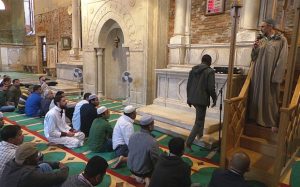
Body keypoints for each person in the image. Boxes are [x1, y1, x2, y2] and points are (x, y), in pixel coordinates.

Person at [248, 18, 288, 133]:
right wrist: (254, 48)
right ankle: (256, 118)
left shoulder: (281, 40)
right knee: (256, 96)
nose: (261, 28)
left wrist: (277, 76)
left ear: (270, 27)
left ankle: (271, 121)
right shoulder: (260, 39)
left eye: (263, 26)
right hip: (258, 72)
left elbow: (283, 58)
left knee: (270, 97)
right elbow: (253, 57)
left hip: (270, 74)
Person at [0, 142, 69, 187]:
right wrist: (65, 168)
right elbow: (59, 177)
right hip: (26, 180)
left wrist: (56, 164)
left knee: (44, 166)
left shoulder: (11, 163)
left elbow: (37, 163)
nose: (38, 158)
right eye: (36, 157)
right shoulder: (28, 175)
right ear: (28, 160)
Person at [186, 54, 217, 151]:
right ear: (209, 62)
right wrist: (214, 98)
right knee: (199, 121)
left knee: (200, 117)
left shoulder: (193, 70)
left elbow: (188, 85)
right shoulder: (209, 71)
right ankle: (188, 142)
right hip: (201, 99)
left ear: (202, 60)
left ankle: (200, 136)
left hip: (193, 98)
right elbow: (211, 88)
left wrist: (189, 98)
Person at [128, 115, 159, 186]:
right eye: (153, 124)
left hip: (130, 168)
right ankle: (146, 178)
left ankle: (138, 177)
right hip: (143, 172)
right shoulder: (152, 141)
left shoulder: (133, 136)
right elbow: (155, 160)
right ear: (150, 126)